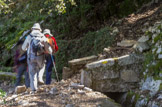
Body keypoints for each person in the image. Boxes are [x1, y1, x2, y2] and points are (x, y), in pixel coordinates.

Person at [22, 23, 52, 93]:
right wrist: (50, 51)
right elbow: (48, 48)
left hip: (31, 57)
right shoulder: (42, 36)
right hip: (40, 57)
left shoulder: (29, 36)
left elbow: (23, 48)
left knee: (32, 73)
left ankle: (34, 89)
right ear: (39, 29)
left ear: (32, 29)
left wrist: (28, 49)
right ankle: (40, 77)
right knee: (42, 66)